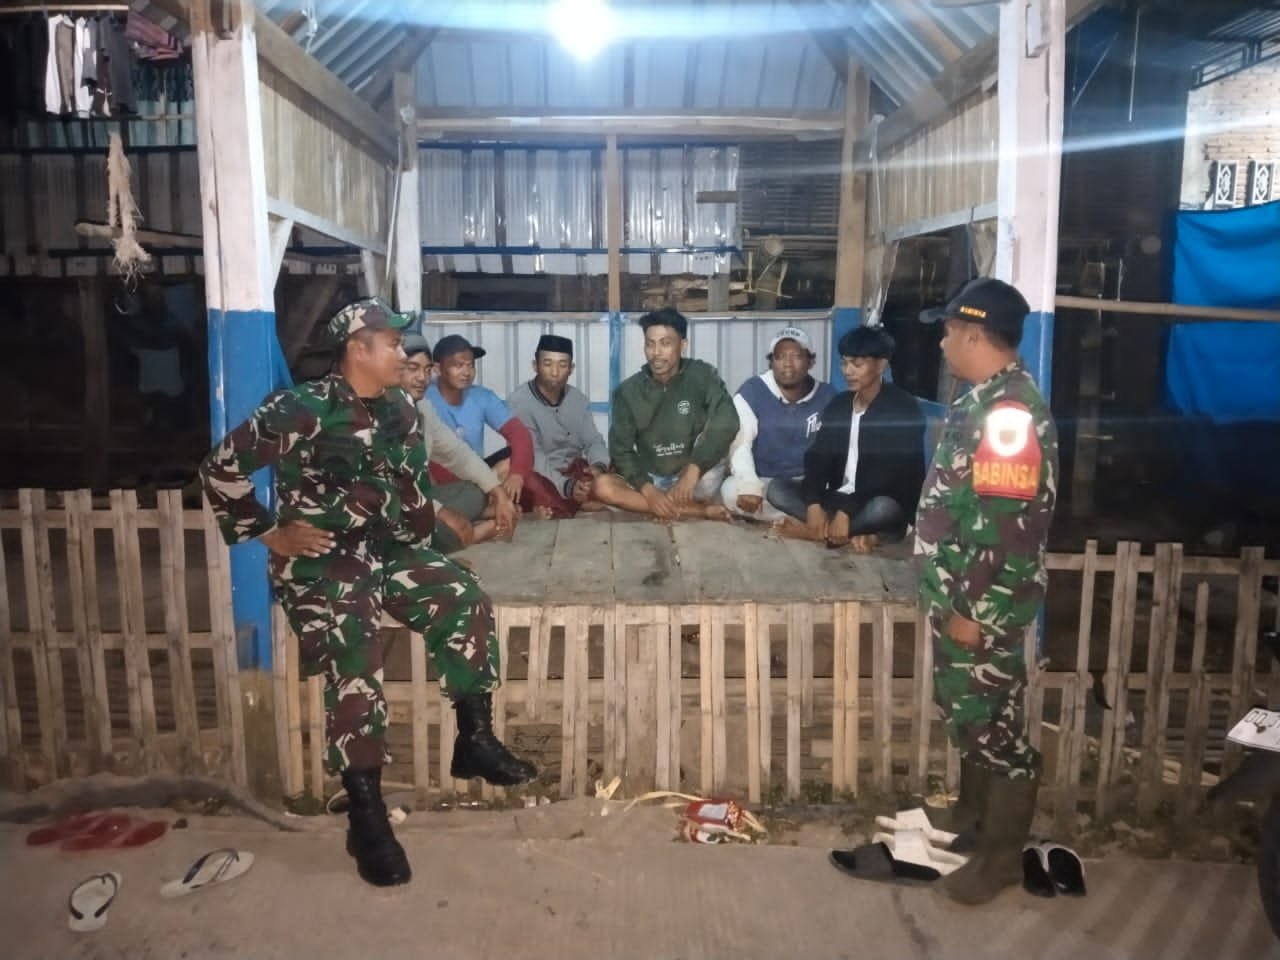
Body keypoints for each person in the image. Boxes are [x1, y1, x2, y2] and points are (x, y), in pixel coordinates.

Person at [200, 298, 537, 890]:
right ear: (358, 349)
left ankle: (475, 739)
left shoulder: (399, 409)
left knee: (462, 595)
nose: (403, 353)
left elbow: (410, 497)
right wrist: (270, 532)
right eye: (392, 343)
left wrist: (438, 541)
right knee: (356, 645)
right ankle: (366, 815)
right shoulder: (303, 407)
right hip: (323, 558)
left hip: (386, 549)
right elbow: (221, 468)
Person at [909, 277, 1059, 905]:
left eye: (947, 332)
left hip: (983, 605)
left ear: (973, 334)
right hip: (961, 596)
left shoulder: (1008, 414)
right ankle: (972, 817)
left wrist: (970, 610)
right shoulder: (985, 401)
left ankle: (1000, 859)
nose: (942, 344)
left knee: (995, 727)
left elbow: (1008, 526)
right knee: (970, 714)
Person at [772, 326, 925, 552]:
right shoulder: (840, 404)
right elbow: (818, 455)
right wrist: (814, 503)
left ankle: (818, 532)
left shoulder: (903, 408)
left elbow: (887, 476)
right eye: (844, 363)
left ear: (881, 365)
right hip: (839, 497)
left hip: (876, 498)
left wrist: (846, 511)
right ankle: (851, 532)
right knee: (777, 489)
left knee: (883, 509)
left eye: (857, 364)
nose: (848, 371)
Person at [593, 308, 739, 521]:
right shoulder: (628, 391)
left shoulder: (703, 375)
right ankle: (698, 510)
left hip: (698, 478)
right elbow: (620, 449)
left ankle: (660, 504)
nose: (656, 353)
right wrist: (648, 489)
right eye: (650, 344)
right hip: (653, 478)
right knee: (603, 486)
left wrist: (693, 469)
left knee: (726, 486)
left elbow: (727, 421)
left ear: (683, 345)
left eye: (665, 343)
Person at [399, 334, 516, 547]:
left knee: (476, 491)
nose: (422, 378)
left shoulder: (422, 408)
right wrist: (442, 512)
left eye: (426, 370)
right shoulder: (382, 413)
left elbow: (458, 454)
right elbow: (392, 489)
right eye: (412, 368)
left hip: (420, 499)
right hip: (389, 507)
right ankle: (472, 534)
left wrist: (498, 492)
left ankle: (457, 531)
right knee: (422, 527)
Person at [720, 325, 837, 522]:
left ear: (811, 361)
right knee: (731, 492)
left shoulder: (827, 395)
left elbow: (835, 452)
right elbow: (741, 444)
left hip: (810, 484)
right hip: (764, 480)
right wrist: (750, 485)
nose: (788, 364)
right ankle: (813, 520)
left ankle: (806, 517)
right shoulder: (752, 391)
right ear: (771, 362)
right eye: (780, 357)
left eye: (797, 356)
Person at [425, 334, 535, 510]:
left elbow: (519, 434)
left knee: (514, 459)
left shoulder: (482, 396)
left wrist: (517, 475)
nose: (466, 372)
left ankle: (485, 505)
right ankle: (488, 506)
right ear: (438, 369)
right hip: (443, 478)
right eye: (458, 365)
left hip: (477, 472)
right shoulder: (424, 398)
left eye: (470, 365)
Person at [506, 334, 610, 518]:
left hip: (573, 471)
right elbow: (533, 455)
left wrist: (597, 469)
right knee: (527, 478)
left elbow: (593, 441)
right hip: (541, 473)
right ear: (535, 365)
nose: (555, 372)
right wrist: (567, 486)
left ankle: (570, 501)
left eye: (562, 365)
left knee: (610, 468)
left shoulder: (578, 399)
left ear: (571, 369)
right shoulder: (520, 401)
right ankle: (569, 502)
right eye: (547, 364)